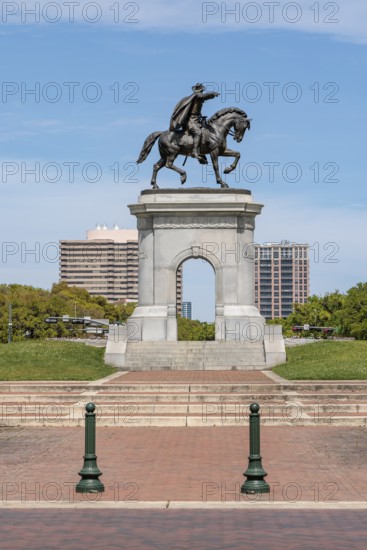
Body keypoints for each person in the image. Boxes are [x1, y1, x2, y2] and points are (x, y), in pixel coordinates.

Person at [169, 83, 220, 160]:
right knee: (198, 133)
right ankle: (194, 151)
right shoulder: (196, 96)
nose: (202, 92)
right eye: (201, 90)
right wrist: (212, 94)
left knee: (205, 131)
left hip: (196, 119)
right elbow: (203, 96)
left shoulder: (197, 97)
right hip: (190, 120)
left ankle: (201, 151)